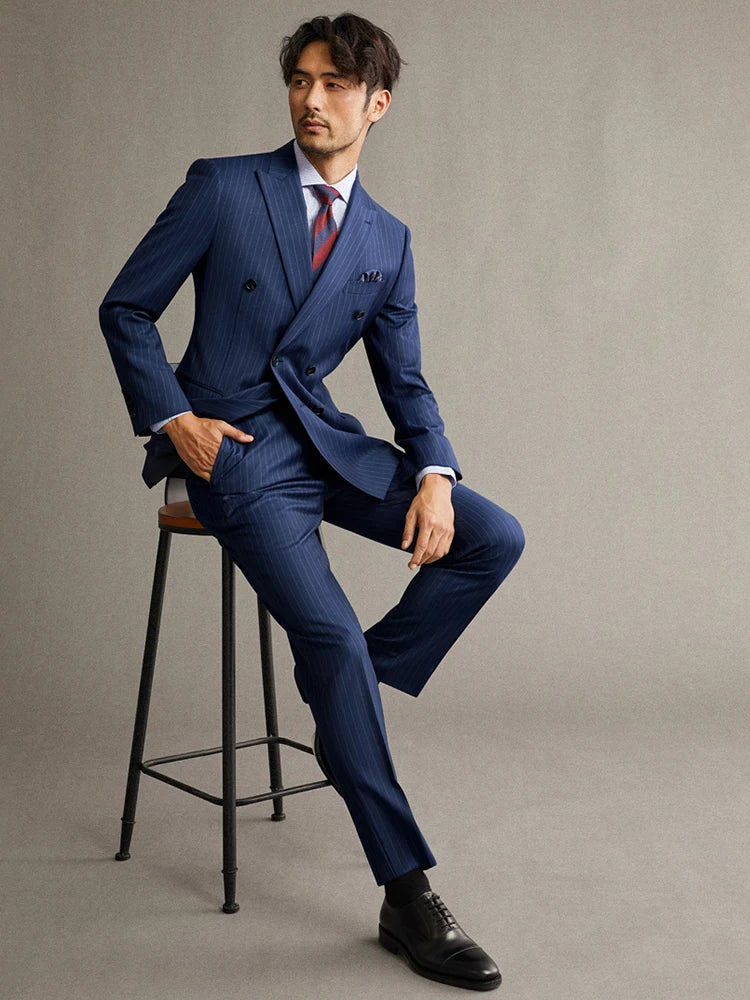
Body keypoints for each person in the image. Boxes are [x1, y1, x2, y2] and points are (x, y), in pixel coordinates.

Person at [99, 13, 524, 992]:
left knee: (490, 538)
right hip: (235, 456)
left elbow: (406, 382)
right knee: (326, 640)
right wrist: (175, 422)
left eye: (335, 84)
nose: (311, 99)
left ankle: (351, 697)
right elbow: (126, 307)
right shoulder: (223, 187)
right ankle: (408, 892)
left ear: (378, 103)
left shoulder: (386, 239)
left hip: (323, 443)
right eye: (300, 79)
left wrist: (434, 474)